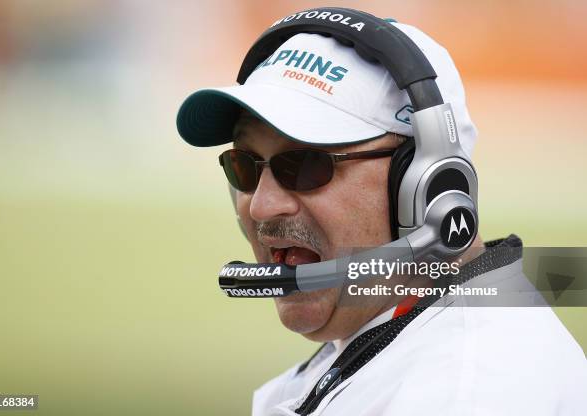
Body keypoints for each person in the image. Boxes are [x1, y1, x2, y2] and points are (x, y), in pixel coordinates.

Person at [176, 8, 587, 416]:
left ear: (428, 188)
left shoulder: (465, 394)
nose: (263, 205)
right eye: (244, 165)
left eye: (304, 166)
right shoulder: (396, 342)